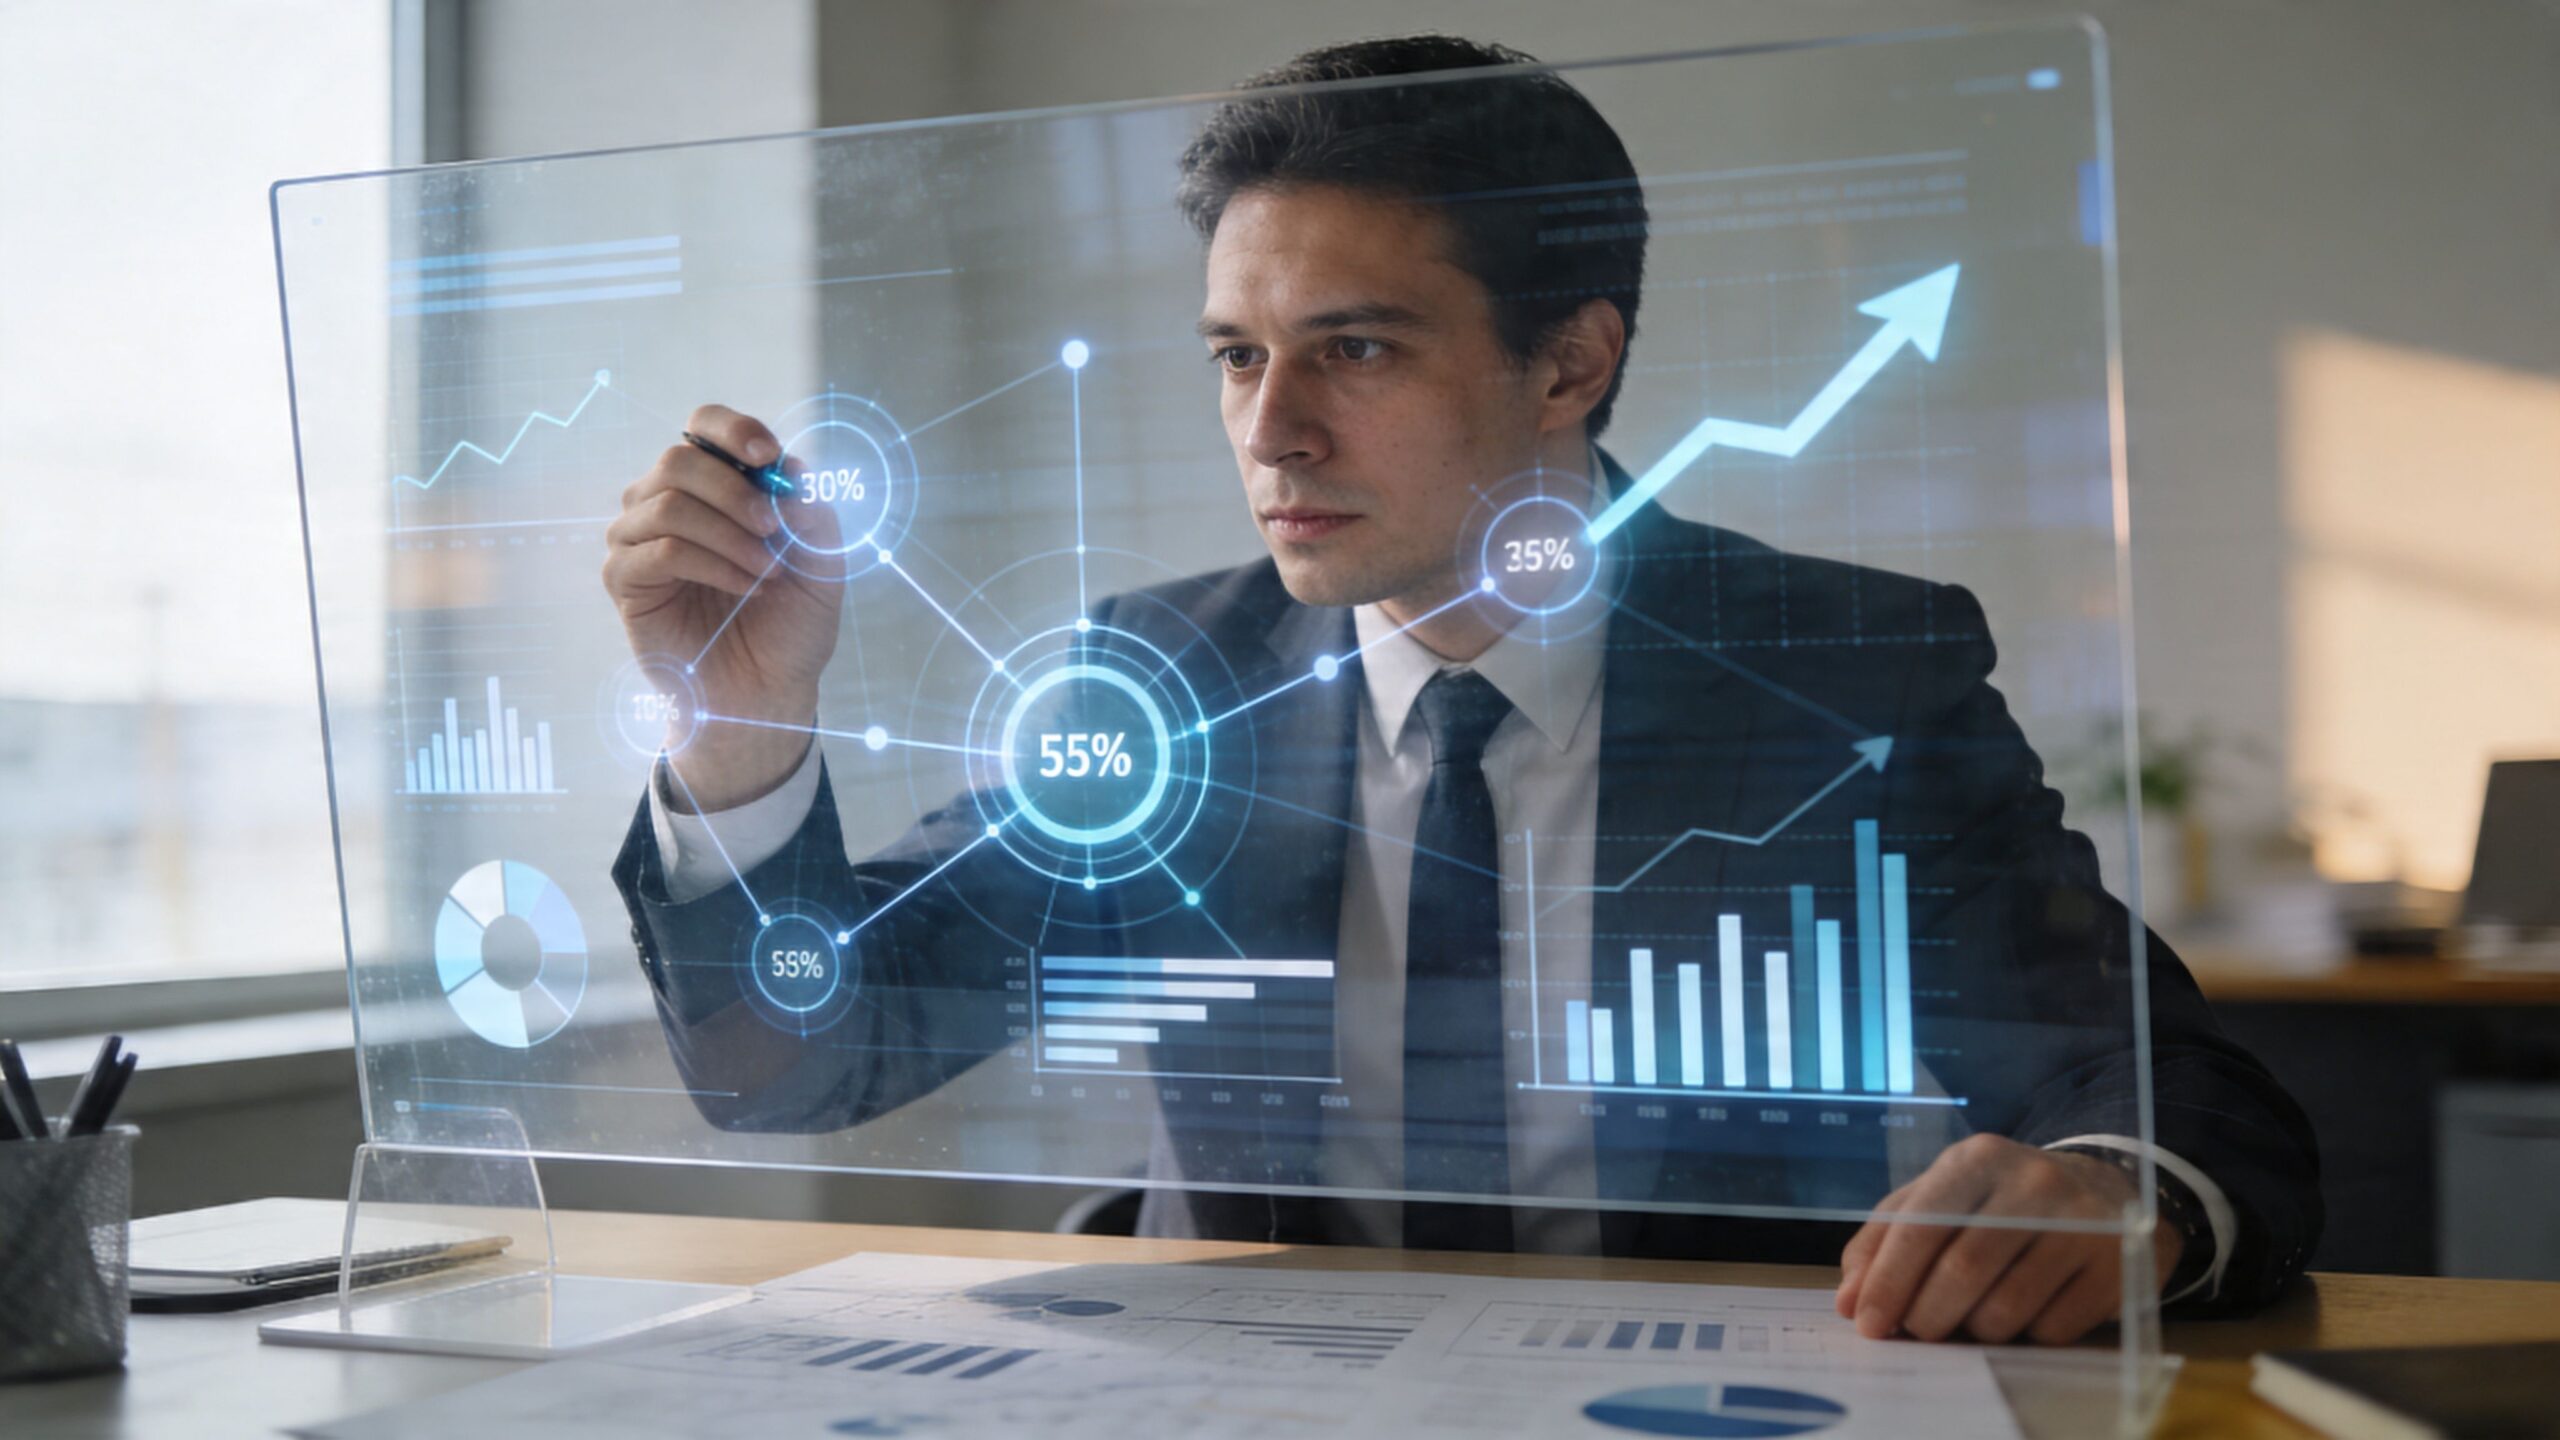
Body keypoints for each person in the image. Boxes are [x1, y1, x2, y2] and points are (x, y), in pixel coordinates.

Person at [601, 35, 2319, 1346]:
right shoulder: (1161, 684)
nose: (1270, 429)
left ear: (1571, 359)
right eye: (1235, 356)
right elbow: (796, 1066)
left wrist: (2113, 1195)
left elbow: (2165, 1090)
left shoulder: (1833, 674)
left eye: (1355, 349)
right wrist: (738, 730)